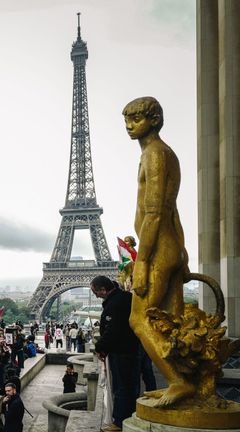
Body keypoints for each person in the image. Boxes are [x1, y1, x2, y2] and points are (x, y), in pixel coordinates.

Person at [124, 96, 194, 407]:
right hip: (169, 247)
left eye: (136, 119)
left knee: (139, 321)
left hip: (156, 251)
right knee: (172, 322)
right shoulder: (165, 154)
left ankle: (178, 382)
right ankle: (185, 385)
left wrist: (142, 262)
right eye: (126, 120)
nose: (129, 126)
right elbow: (173, 210)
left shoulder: (154, 154)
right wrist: (183, 251)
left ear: (154, 119)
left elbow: (153, 212)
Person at [91, 276, 140, 432]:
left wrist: (100, 347)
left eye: (95, 292)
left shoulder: (114, 304)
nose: (95, 296)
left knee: (121, 387)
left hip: (121, 352)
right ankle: (130, 416)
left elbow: (112, 331)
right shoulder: (126, 297)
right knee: (130, 385)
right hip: (132, 349)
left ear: (103, 290)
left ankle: (119, 422)